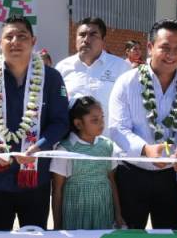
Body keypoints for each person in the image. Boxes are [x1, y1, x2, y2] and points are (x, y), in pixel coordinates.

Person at [0, 16, 69, 230]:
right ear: (0, 43)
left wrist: (40, 145)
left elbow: (61, 122)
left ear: (33, 41)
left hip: (35, 179)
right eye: (9, 37)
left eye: (22, 36)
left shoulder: (51, 78)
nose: (15, 41)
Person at [108, 19, 177, 229]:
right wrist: (145, 149)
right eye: (165, 48)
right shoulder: (127, 81)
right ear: (150, 47)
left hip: (172, 177)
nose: (172, 55)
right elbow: (117, 128)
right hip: (132, 173)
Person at [50, 96, 124, 230]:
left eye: (102, 118)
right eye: (95, 120)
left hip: (103, 210)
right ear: (78, 123)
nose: (101, 123)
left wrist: (118, 215)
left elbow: (112, 182)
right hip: (75, 212)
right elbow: (57, 191)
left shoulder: (107, 146)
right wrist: (57, 227)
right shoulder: (65, 149)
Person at [55, 17, 130, 116]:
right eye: (82, 35)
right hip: (71, 131)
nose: (86, 40)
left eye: (93, 35)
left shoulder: (121, 67)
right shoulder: (62, 68)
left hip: (108, 131)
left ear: (103, 40)